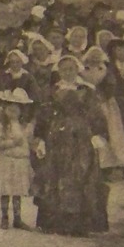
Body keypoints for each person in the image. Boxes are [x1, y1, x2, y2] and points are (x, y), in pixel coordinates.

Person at [31, 56, 110, 235]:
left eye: (71, 68)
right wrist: (40, 139)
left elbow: (96, 114)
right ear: (58, 71)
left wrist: (98, 134)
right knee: (55, 175)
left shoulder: (87, 90)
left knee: (81, 175)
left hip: (81, 138)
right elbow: (43, 116)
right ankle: (54, 222)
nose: (68, 72)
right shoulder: (51, 91)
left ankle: (79, 224)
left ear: (78, 69)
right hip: (56, 138)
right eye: (64, 69)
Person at [0, 90, 36, 229]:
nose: (13, 109)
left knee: (17, 192)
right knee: (5, 190)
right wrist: (12, 143)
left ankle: (18, 218)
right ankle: (4, 217)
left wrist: (35, 146)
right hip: (6, 161)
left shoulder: (25, 127)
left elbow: (29, 142)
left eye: (17, 106)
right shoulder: (0, 127)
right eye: (10, 106)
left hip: (20, 162)